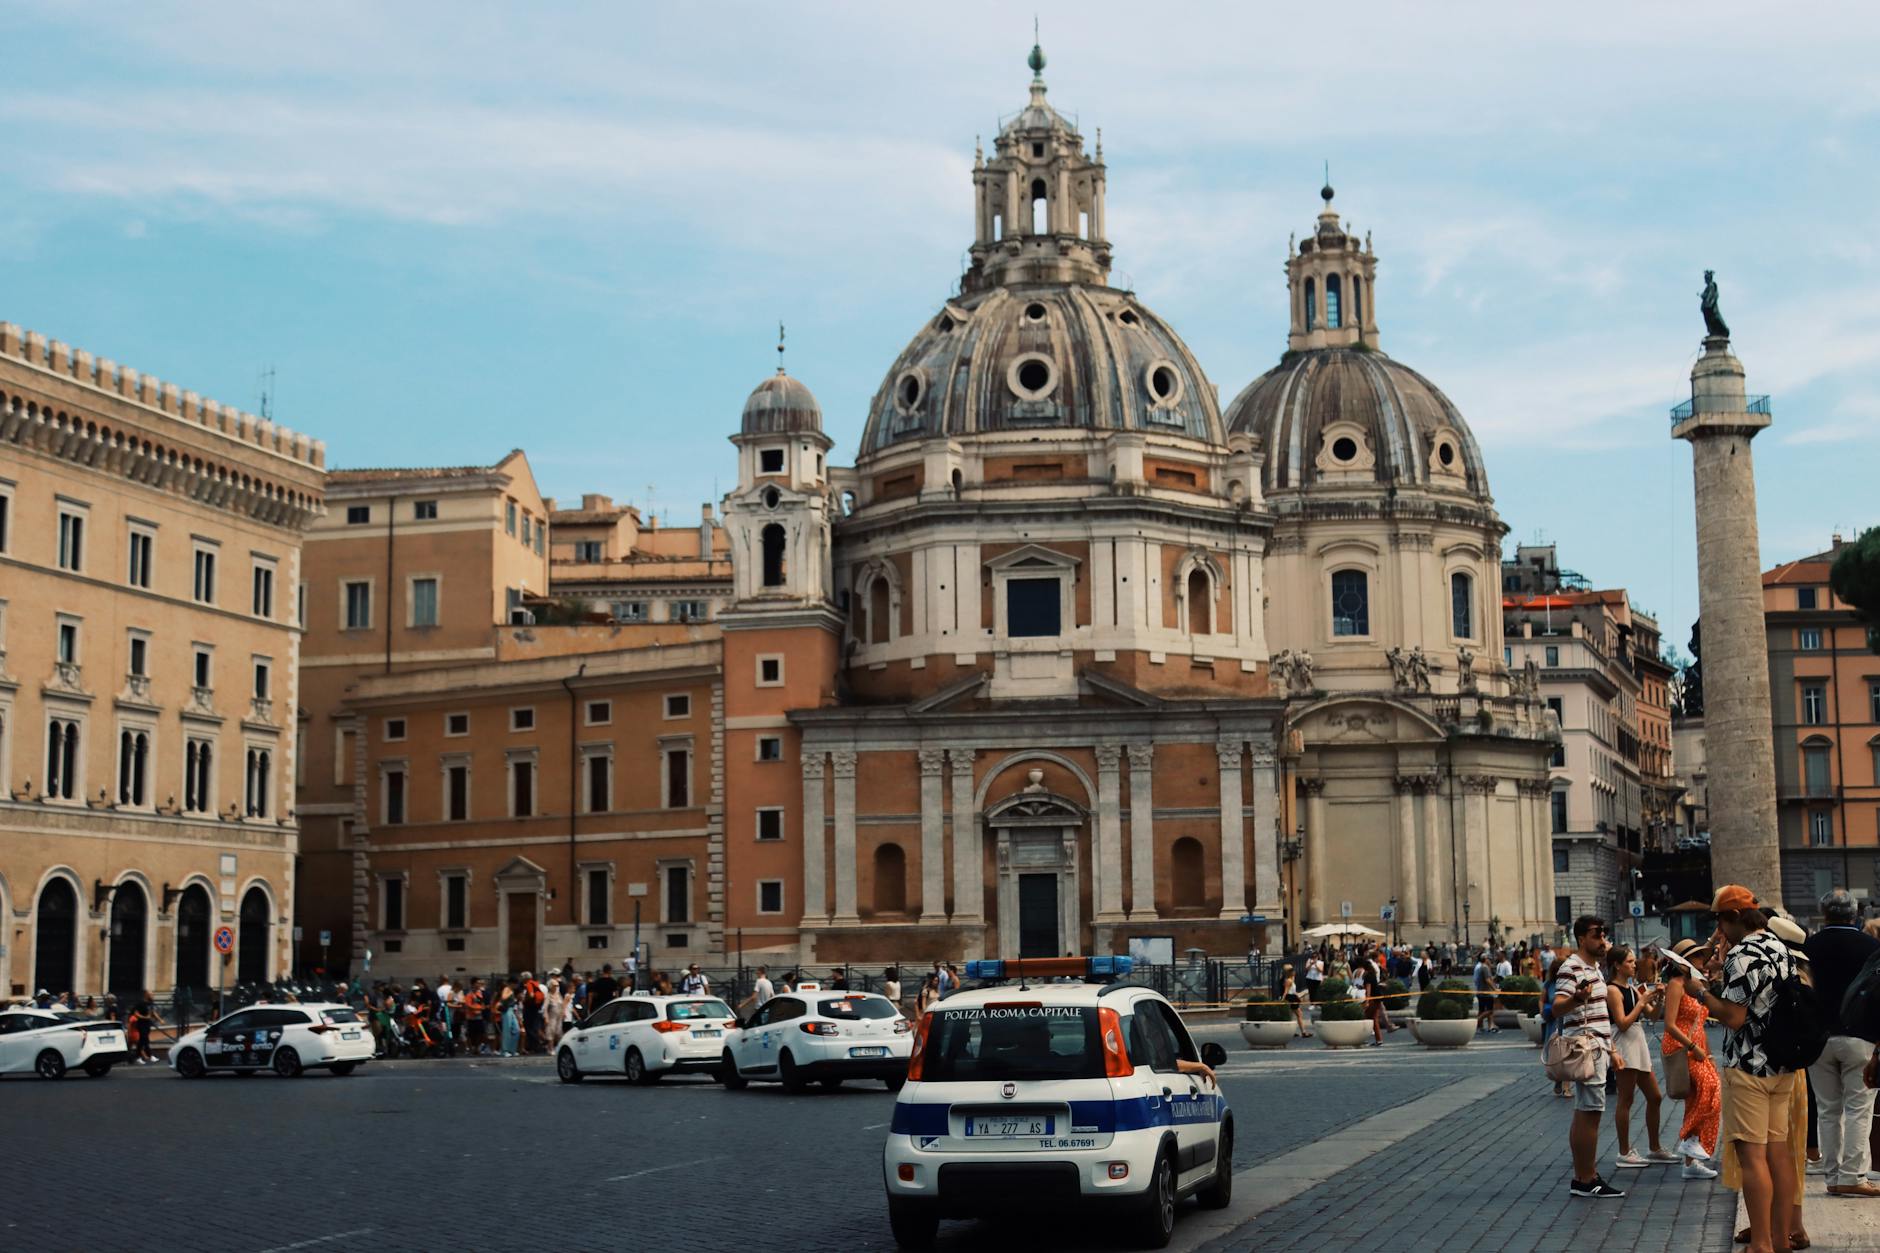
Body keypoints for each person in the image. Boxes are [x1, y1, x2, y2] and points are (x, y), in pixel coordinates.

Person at [1698, 886, 1798, 1253]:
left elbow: (1735, 1017)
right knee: (1779, 1153)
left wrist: (1701, 994)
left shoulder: (1741, 955)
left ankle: (1760, 1244)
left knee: (1752, 1158)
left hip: (1749, 1065)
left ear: (1736, 918)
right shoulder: (1778, 946)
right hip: (1782, 1063)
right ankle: (1780, 1238)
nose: (1721, 932)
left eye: (1722, 922)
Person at [1802, 888, 1880, 1197]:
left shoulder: (1811, 946)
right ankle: (1853, 1175)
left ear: (1825, 914)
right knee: (1859, 1107)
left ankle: (1832, 1176)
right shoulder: (1870, 946)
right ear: (1855, 913)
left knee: (1827, 1109)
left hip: (1820, 1037)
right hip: (1860, 1035)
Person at [1554, 914, 1624, 1198]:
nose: (1602, 938)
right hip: (1586, 1048)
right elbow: (1558, 1007)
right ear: (1581, 937)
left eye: (1604, 933)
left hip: (1598, 1047)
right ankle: (1587, 1177)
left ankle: (1582, 1176)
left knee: (1585, 1112)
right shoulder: (1571, 967)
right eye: (1597, 933)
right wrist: (1575, 999)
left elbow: (1601, 1016)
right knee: (1590, 1114)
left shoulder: (1594, 969)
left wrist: (1613, 1050)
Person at [1605, 946, 1675, 1168]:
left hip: (1638, 1044)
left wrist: (1659, 999)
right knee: (1626, 1099)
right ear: (1617, 965)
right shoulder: (1613, 990)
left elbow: (1653, 1017)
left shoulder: (1633, 989)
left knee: (1654, 1096)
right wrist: (1642, 1002)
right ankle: (1624, 1151)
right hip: (1625, 1044)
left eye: (1634, 961)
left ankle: (1654, 1148)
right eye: (1629, 961)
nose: (1634, 965)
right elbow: (1623, 1022)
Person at [1662, 940, 1720, 1179]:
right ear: (1683, 962)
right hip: (1681, 1046)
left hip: (1696, 1047)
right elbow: (1669, 1024)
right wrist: (1693, 1047)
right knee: (1711, 1089)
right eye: (1695, 957)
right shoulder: (1675, 985)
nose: (1700, 961)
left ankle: (1690, 1161)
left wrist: (1706, 1051)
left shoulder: (1693, 986)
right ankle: (1688, 1138)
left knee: (1699, 1097)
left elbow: (1701, 1024)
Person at [1282, 964, 1311, 1038]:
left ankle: (1292, 1031)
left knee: (1291, 1015)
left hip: (1293, 997)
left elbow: (1293, 991)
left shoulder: (1291, 979)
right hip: (1291, 998)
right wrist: (1282, 1000)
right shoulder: (1288, 981)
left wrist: (1298, 996)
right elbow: (1286, 991)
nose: (1295, 972)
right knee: (1299, 1014)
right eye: (1293, 971)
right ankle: (1303, 1032)